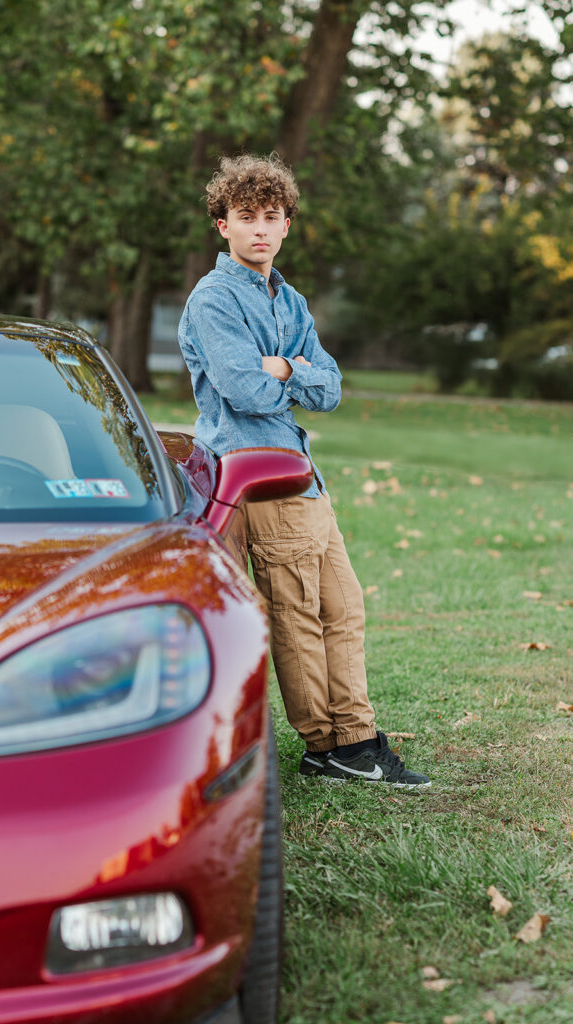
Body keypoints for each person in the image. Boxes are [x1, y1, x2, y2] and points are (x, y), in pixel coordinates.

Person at [178, 153, 430, 789]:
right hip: (256, 473)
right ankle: (329, 744)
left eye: (271, 216)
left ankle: (357, 736)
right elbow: (241, 390)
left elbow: (332, 387)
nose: (259, 228)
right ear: (223, 226)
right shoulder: (213, 300)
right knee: (297, 613)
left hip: (303, 473)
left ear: (287, 224)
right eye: (245, 217)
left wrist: (285, 367)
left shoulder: (291, 301)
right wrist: (281, 375)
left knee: (343, 607)